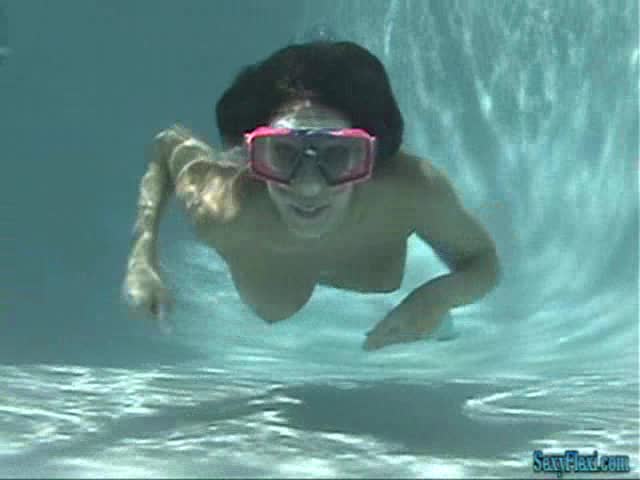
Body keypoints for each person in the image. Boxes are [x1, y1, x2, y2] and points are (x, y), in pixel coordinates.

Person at [123, 40, 501, 351]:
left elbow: (483, 261)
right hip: (277, 270)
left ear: (370, 159)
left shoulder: (411, 189)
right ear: (252, 157)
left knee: (378, 277)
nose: (308, 187)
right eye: (282, 153)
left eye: (337, 155)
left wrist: (433, 300)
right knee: (274, 304)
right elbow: (168, 146)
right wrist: (143, 258)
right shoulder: (223, 209)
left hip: (364, 266)